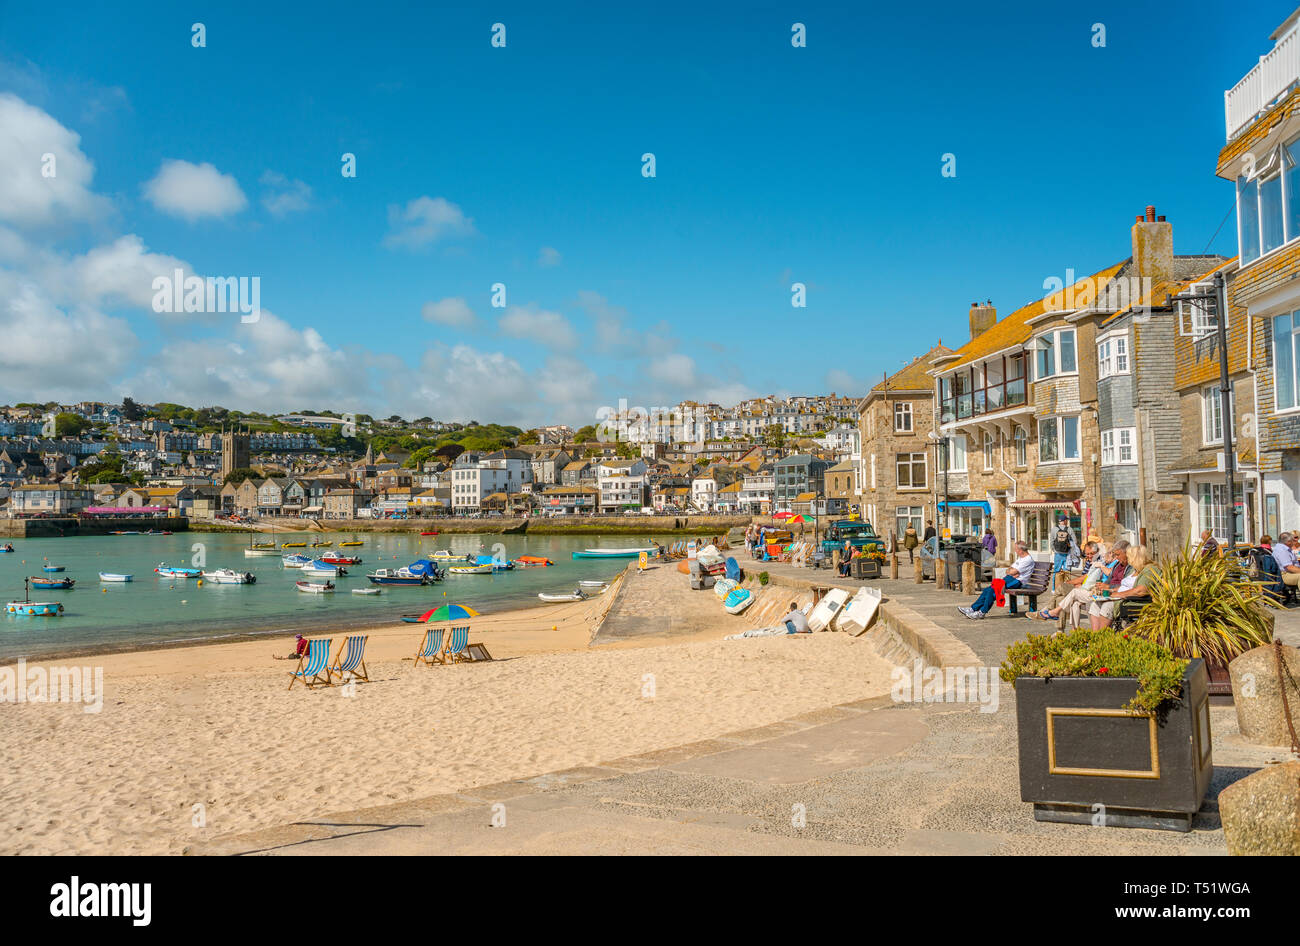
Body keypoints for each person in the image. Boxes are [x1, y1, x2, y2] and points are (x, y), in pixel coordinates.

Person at [1030, 540, 1129, 629]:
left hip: (1091, 589)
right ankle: (1072, 630)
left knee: (1069, 592)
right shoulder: (1101, 562)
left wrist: (1075, 583)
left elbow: (1092, 578)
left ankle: (1050, 611)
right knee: (1070, 600)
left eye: (1091, 554)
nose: (1089, 556)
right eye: (1087, 554)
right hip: (1090, 587)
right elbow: (1088, 577)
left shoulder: (1103, 563)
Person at [960, 541, 1034, 619]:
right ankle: (972, 609)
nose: (1015, 550)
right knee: (987, 590)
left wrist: (1012, 571)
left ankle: (982, 612)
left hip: (1017, 582)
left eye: (1016, 549)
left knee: (992, 591)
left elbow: (1013, 571)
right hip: (1010, 578)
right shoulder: (1020, 558)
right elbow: (1009, 570)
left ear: (1020, 550)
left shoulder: (1027, 560)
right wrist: (1011, 571)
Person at [1089, 545, 1155, 629]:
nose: (1128, 559)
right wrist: (1112, 590)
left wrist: (1117, 595)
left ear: (1136, 557)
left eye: (1129, 557)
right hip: (1119, 596)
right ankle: (1095, 637)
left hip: (1129, 600)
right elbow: (1124, 585)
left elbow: (1140, 591)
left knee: (1107, 606)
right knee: (1095, 605)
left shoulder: (1149, 570)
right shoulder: (1134, 569)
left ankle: (1101, 637)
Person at [725, 601, 812, 638]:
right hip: (806, 630)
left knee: (788, 622)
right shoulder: (801, 612)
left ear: (791, 608)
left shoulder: (792, 613)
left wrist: (788, 616)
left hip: (799, 632)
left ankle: (792, 633)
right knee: (793, 622)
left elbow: (782, 621)